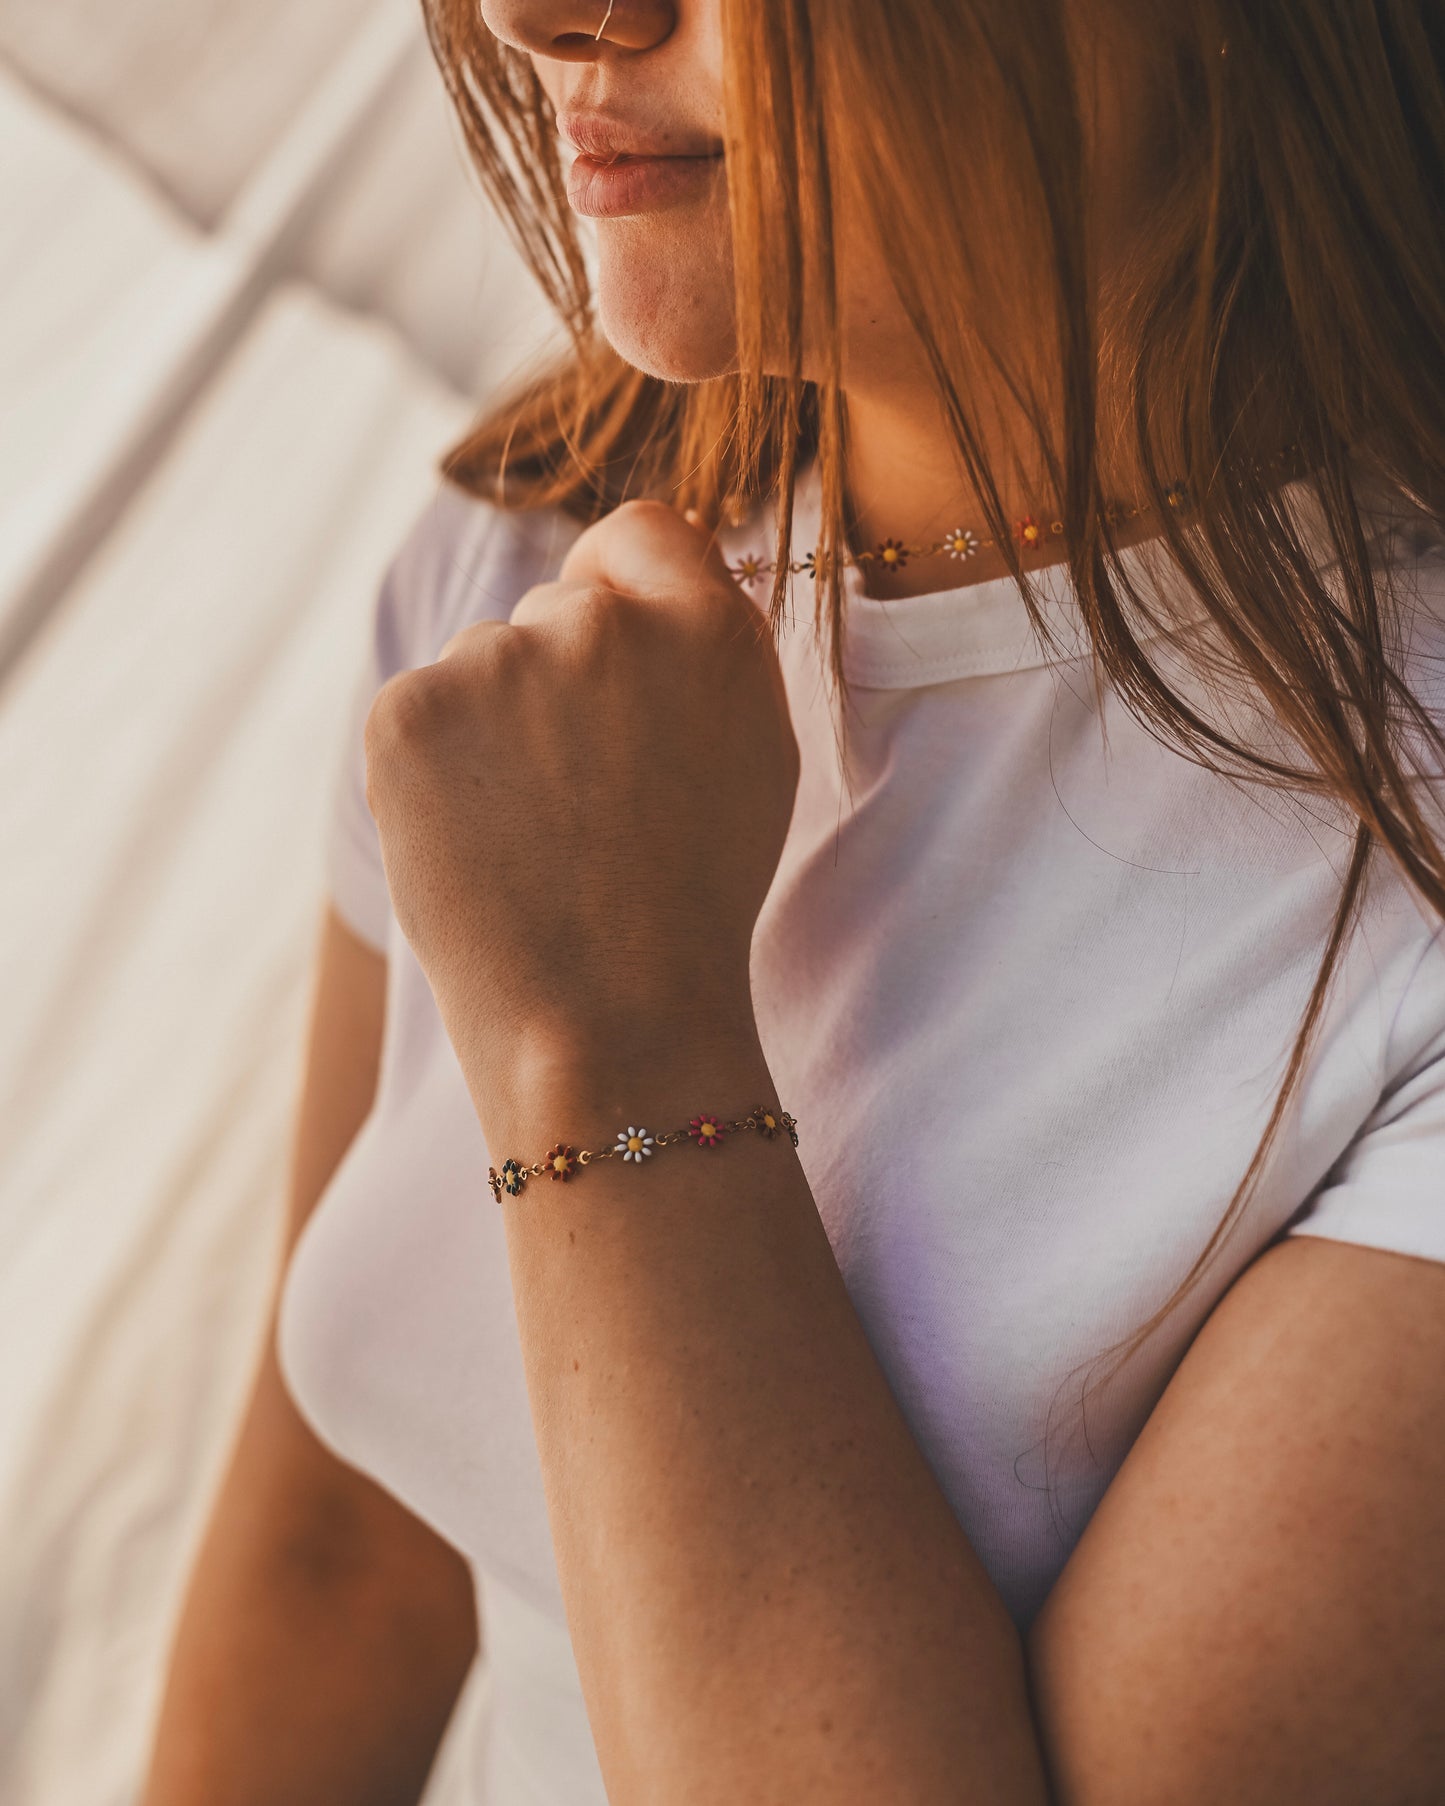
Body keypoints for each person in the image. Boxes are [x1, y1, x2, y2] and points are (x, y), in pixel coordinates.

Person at [140, 2, 1445, 1801]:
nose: (543, 14)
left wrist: (605, 1041)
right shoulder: (530, 552)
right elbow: (341, 1563)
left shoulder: (1406, 871)